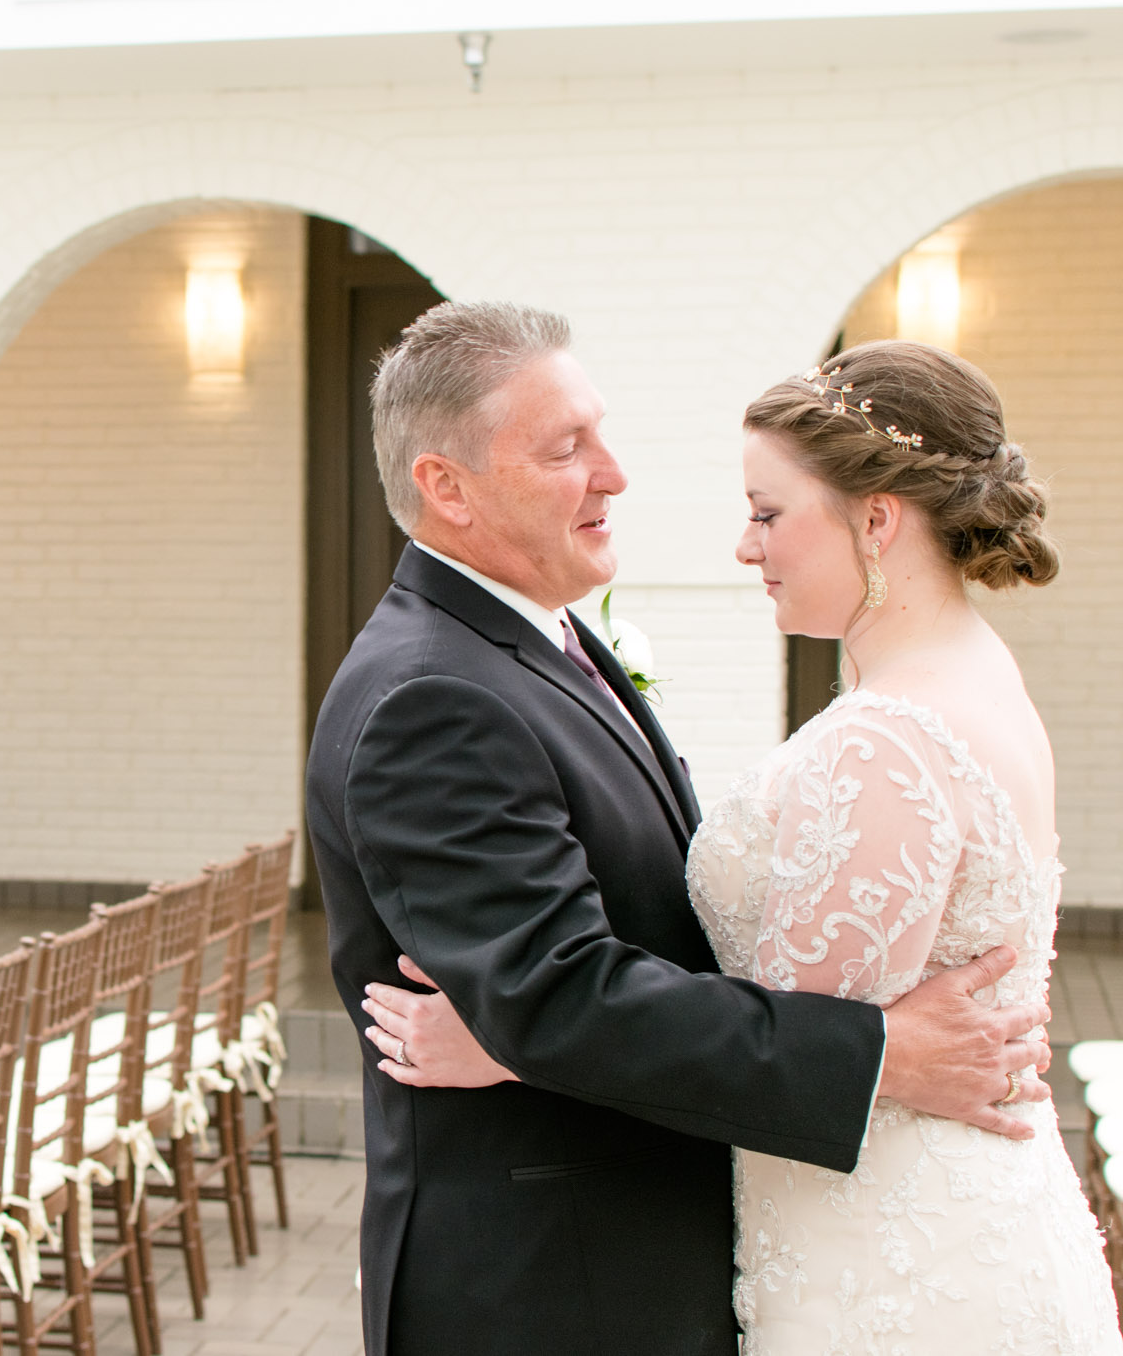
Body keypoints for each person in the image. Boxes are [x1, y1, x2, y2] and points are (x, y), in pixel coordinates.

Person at [307, 303, 1060, 1356]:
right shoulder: (429, 694)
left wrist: (518, 1040)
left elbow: (574, 978)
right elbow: (555, 990)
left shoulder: (544, 639)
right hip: (553, 1289)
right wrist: (876, 1054)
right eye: (567, 448)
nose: (613, 472)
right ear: (446, 485)